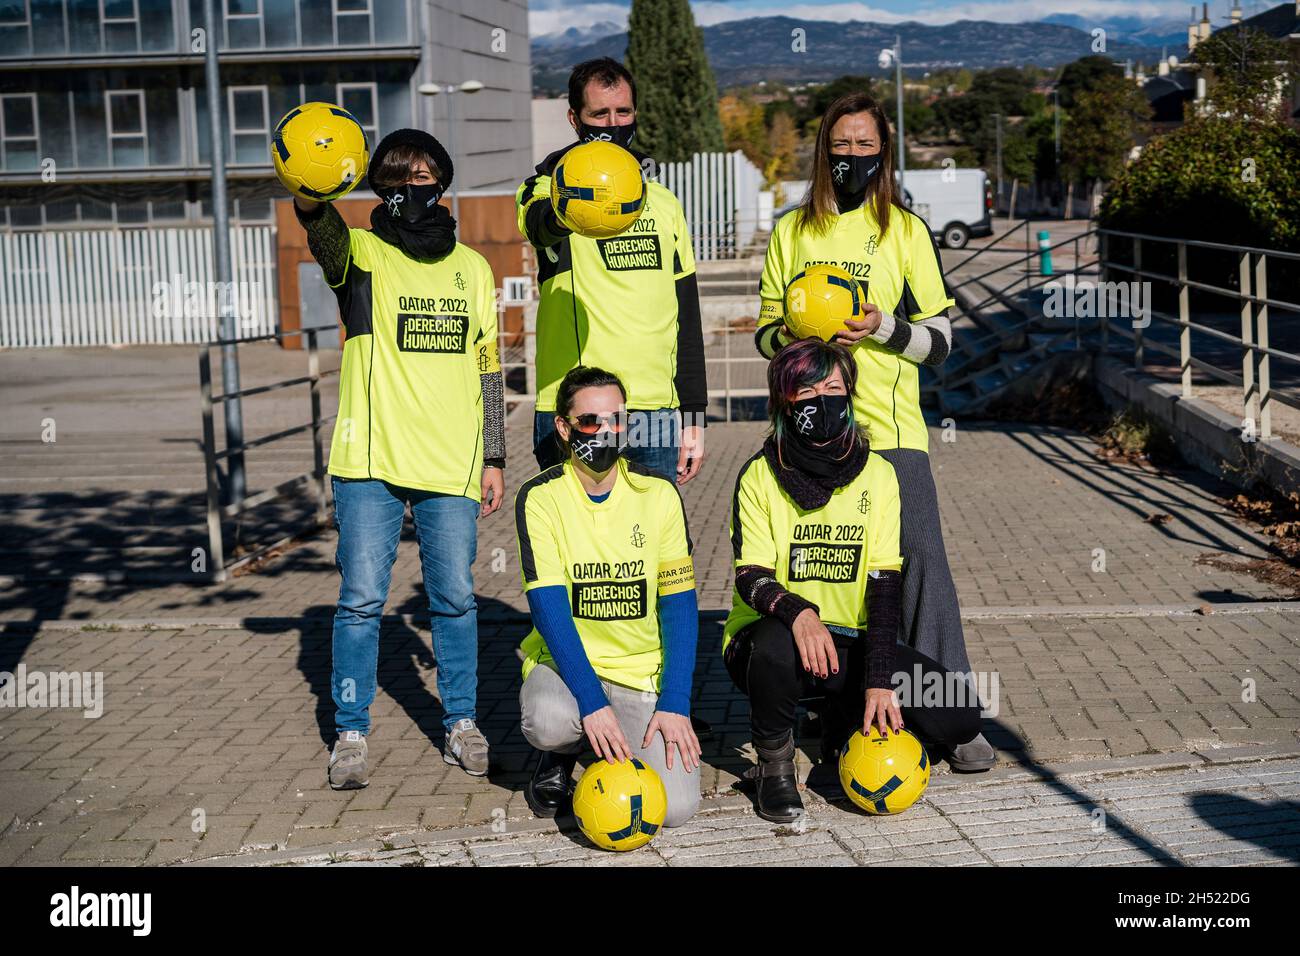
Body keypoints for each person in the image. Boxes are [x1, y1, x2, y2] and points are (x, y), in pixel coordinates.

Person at [751, 92, 994, 770]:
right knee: (825, 566)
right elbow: (766, 332)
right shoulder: (791, 230)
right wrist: (798, 332)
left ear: (884, 153)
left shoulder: (906, 232)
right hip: (808, 435)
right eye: (842, 144)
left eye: (866, 146)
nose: (853, 156)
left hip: (891, 436)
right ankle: (832, 707)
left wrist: (882, 327)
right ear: (824, 148)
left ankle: (952, 714)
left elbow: (944, 341)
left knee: (922, 568)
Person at [291, 128, 505, 789]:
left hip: (452, 465)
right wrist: (308, 191)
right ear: (380, 188)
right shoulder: (358, 254)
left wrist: (494, 454)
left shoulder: (472, 268)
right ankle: (350, 731)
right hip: (369, 461)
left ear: (443, 184)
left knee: (456, 600)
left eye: (428, 177)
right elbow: (320, 229)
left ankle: (462, 722)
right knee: (359, 603)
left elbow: (488, 366)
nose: (417, 189)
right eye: (401, 179)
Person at [725, 338, 985, 823]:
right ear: (784, 402)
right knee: (774, 647)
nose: (821, 401)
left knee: (959, 713)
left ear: (850, 394)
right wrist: (798, 612)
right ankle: (775, 766)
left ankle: (845, 722)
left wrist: (880, 679)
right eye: (806, 392)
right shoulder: (758, 475)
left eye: (833, 387)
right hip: (772, 640)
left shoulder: (879, 474)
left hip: (849, 641)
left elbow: (885, 585)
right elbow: (750, 576)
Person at [513, 366, 702, 827]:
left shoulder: (659, 493)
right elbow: (549, 606)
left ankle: (610, 738)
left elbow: (679, 605)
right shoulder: (539, 497)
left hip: (640, 672)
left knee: (676, 810)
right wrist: (592, 703)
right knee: (547, 720)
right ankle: (565, 750)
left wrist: (675, 700)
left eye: (616, 419)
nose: (605, 431)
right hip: (570, 669)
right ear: (563, 427)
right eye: (590, 422)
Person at [516, 56, 707, 485]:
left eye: (623, 112)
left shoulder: (662, 201)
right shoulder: (545, 188)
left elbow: (686, 315)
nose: (613, 123)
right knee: (579, 547)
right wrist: (575, 202)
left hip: (655, 412)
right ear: (574, 119)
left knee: (658, 546)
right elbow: (539, 226)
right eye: (599, 114)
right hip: (575, 408)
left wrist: (694, 416)